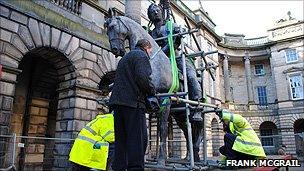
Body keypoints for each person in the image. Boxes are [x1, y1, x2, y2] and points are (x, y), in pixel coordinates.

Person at [147, 3, 203, 121]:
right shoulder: (151, 34)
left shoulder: (170, 25)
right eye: (153, 12)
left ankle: (197, 105)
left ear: (161, 12)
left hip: (176, 58)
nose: (156, 12)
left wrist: (179, 31)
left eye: (157, 10)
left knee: (191, 76)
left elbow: (176, 41)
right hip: (159, 61)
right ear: (150, 17)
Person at [109, 39, 158, 171]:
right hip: (133, 103)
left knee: (121, 140)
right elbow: (143, 78)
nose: (150, 53)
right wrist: (152, 91)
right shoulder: (141, 56)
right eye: (150, 50)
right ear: (146, 47)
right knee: (138, 140)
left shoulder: (125, 58)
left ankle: (119, 168)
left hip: (118, 104)